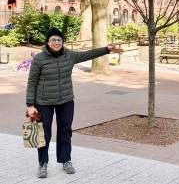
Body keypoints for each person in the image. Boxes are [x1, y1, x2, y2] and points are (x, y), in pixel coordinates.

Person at [25, 27, 123, 178]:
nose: (56, 42)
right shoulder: (39, 59)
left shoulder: (69, 55)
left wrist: (107, 49)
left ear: (63, 42)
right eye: (53, 40)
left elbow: (87, 54)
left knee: (65, 131)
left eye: (59, 40)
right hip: (44, 102)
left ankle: (66, 160)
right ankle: (42, 163)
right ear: (47, 41)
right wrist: (30, 105)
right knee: (44, 133)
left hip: (65, 100)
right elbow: (32, 82)